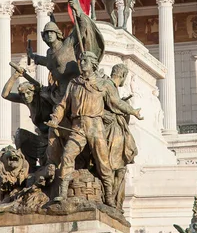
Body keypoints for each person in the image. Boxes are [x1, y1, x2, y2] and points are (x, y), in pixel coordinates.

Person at [46, 52, 143, 207]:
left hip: (95, 126)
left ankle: (109, 196)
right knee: (67, 156)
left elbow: (117, 102)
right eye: (81, 60)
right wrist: (55, 118)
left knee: (103, 162)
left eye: (85, 60)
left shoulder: (103, 84)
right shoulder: (74, 83)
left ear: (93, 64)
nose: (81, 62)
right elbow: (63, 104)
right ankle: (62, 193)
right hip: (78, 126)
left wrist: (133, 112)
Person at [103, 63, 138, 211]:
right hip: (111, 129)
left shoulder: (112, 87)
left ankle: (115, 200)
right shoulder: (108, 84)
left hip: (117, 128)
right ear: (123, 76)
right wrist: (132, 111)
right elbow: (114, 103)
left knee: (120, 168)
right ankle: (109, 197)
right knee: (113, 166)